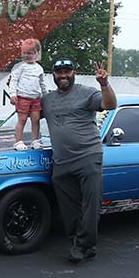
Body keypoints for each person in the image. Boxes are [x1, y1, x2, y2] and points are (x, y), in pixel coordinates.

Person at [40, 58, 117, 263]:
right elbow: (27, 113)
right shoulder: (47, 99)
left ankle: (83, 246)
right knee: (69, 208)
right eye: (59, 72)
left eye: (67, 71)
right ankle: (82, 245)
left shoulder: (87, 93)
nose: (63, 75)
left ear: (73, 73)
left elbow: (110, 104)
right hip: (61, 160)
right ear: (53, 75)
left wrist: (104, 84)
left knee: (91, 204)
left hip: (88, 156)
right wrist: (16, 93)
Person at [6, 38, 46, 150]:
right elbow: (13, 81)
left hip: (36, 98)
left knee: (35, 119)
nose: (26, 56)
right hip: (23, 97)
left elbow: (42, 83)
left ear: (37, 53)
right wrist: (13, 94)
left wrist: (45, 95)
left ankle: (35, 140)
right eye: (24, 53)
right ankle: (18, 141)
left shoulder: (39, 68)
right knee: (22, 119)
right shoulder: (19, 67)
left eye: (30, 53)